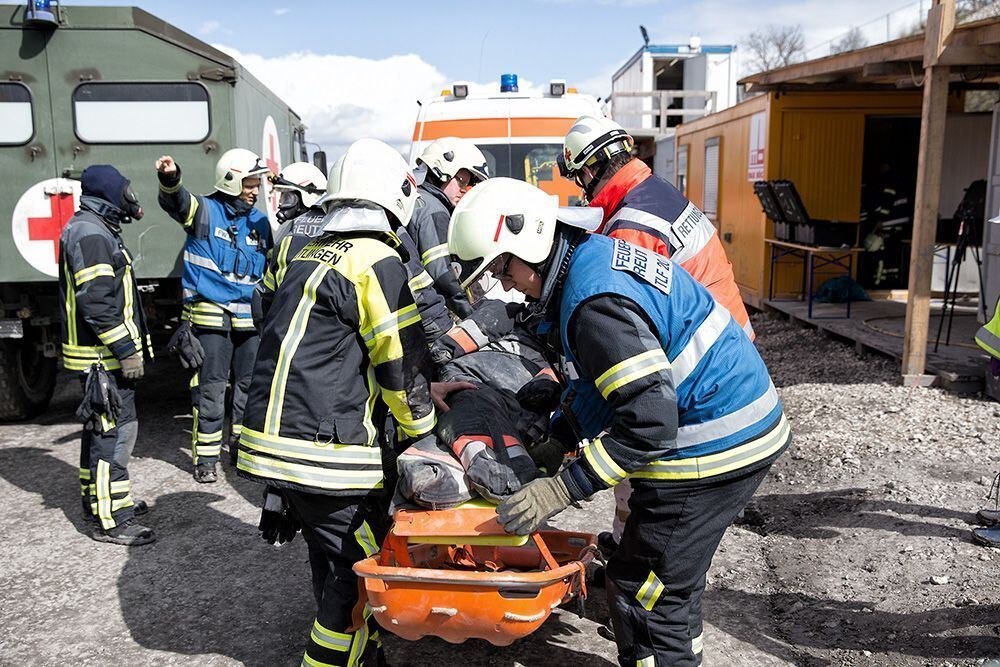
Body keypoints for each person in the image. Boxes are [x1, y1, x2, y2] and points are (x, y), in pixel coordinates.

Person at [449, 177, 791, 667]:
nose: (503, 283)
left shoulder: (593, 304)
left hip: (713, 441)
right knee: (663, 580)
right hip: (733, 420)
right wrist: (561, 436)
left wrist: (562, 488)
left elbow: (649, 424)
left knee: (647, 595)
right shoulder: (592, 263)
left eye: (503, 268)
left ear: (531, 241)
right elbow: (601, 378)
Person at [235, 138, 466, 666]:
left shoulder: (304, 250)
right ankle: (335, 657)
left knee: (330, 546)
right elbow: (398, 362)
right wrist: (423, 432)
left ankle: (364, 653)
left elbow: (312, 344)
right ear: (392, 196)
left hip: (273, 436)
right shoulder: (377, 260)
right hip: (320, 449)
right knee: (362, 565)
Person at [560, 114, 755, 560]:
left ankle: (630, 564)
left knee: (639, 464)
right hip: (727, 340)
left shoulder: (631, 227)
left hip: (702, 362)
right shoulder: (657, 193)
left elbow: (627, 331)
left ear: (589, 170)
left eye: (579, 179)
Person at [156, 149, 271, 483]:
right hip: (210, 319)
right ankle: (205, 458)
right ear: (232, 180)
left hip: (249, 322)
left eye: (257, 183)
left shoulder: (261, 222)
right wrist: (170, 178)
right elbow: (175, 201)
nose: (255, 189)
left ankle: (240, 448)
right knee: (211, 390)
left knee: (249, 389)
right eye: (250, 182)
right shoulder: (204, 210)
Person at [60, 164, 155, 546]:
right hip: (102, 359)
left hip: (99, 357)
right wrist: (127, 351)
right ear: (109, 194)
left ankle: (101, 498)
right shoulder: (92, 234)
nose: (130, 198)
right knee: (112, 437)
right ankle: (112, 518)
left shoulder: (94, 228)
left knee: (102, 433)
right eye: (125, 191)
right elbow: (97, 303)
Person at [409, 137, 490, 318]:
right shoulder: (435, 210)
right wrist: (473, 314)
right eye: (460, 180)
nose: (464, 189)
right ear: (441, 172)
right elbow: (443, 275)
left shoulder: (418, 201)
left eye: (468, 183)